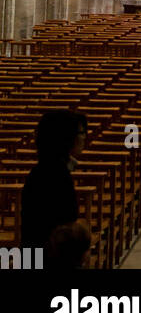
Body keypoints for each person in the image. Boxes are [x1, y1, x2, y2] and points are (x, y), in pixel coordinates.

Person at [21, 110, 91, 268]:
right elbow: (60, 228)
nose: (84, 136)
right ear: (66, 137)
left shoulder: (46, 170)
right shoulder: (55, 174)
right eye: (81, 132)